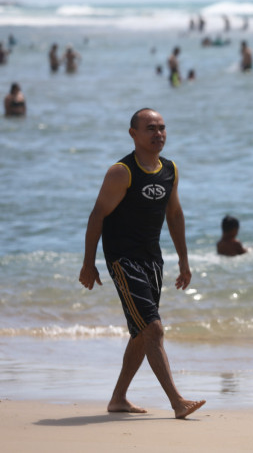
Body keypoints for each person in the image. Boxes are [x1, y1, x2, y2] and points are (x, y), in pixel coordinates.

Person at [78, 108, 205, 419]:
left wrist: (184, 261)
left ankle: (118, 398)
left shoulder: (170, 170)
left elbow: (174, 215)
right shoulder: (122, 172)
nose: (158, 133)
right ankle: (178, 402)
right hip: (123, 260)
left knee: (140, 332)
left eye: (162, 127)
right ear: (133, 133)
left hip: (152, 259)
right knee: (153, 328)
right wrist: (88, 263)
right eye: (150, 128)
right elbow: (97, 215)